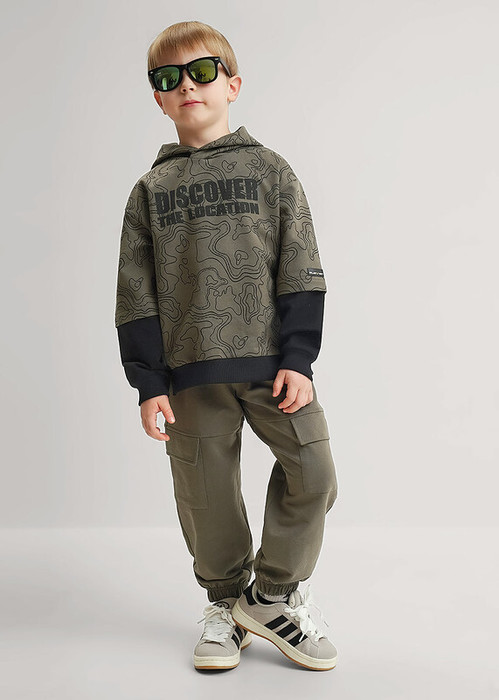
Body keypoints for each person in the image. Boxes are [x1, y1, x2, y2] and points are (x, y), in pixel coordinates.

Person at [114, 20, 339, 672]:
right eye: (169, 78)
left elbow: (300, 266)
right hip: (188, 373)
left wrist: (298, 357)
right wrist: (147, 380)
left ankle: (270, 596)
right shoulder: (150, 191)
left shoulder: (270, 171)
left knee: (313, 473)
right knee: (205, 495)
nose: (187, 85)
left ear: (232, 84)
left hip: (273, 366)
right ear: (158, 98)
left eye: (203, 71)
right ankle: (224, 603)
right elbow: (135, 291)